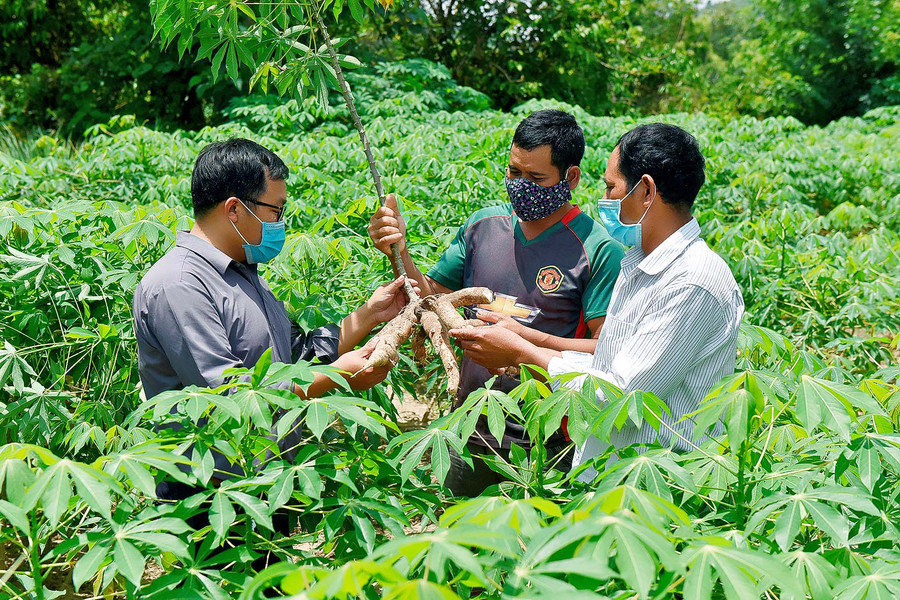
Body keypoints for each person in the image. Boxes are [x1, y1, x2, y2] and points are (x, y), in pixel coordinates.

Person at [450, 123, 745, 480]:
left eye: (610, 187)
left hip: (654, 485)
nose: (603, 198)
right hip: (613, 477)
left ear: (646, 190)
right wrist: (526, 339)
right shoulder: (639, 265)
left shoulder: (691, 282)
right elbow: (607, 363)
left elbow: (619, 396)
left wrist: (520, 353)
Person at [133, 138, 413, 499]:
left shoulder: (244, 272)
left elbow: (293, 358)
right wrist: (338, 375)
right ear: (234, 209)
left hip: (266, 480)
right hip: (211, 496)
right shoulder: (180, 284)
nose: (280, 223)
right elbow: (230, 396)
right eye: (275, 211)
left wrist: (370, 315)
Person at [368, 109, 624, 496]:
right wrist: (400, 251)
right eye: (513, 173)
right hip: (469, 427)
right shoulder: (482, 226)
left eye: (536, 178)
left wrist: (524, 345)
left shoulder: (597, 249)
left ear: (570, 177)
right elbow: (431, 297)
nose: (521, 186)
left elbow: (606, 350)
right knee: (456, 547)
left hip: (548, 442)